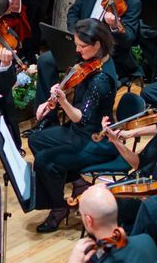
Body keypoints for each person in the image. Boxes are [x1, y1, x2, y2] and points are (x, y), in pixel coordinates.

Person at [30, 18, 120, 231]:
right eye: (76, 45)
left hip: (94, 139)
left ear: (97, 45)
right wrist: (49, 101)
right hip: (80, 132)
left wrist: (62, 101)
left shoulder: (102, 79)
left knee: (43, 160)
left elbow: (82, 117)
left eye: (81, 46)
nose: (77, 51)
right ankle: (78, 180)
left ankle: (58, 207)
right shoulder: (93, 63)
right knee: (36, 139)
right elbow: (75, 89)